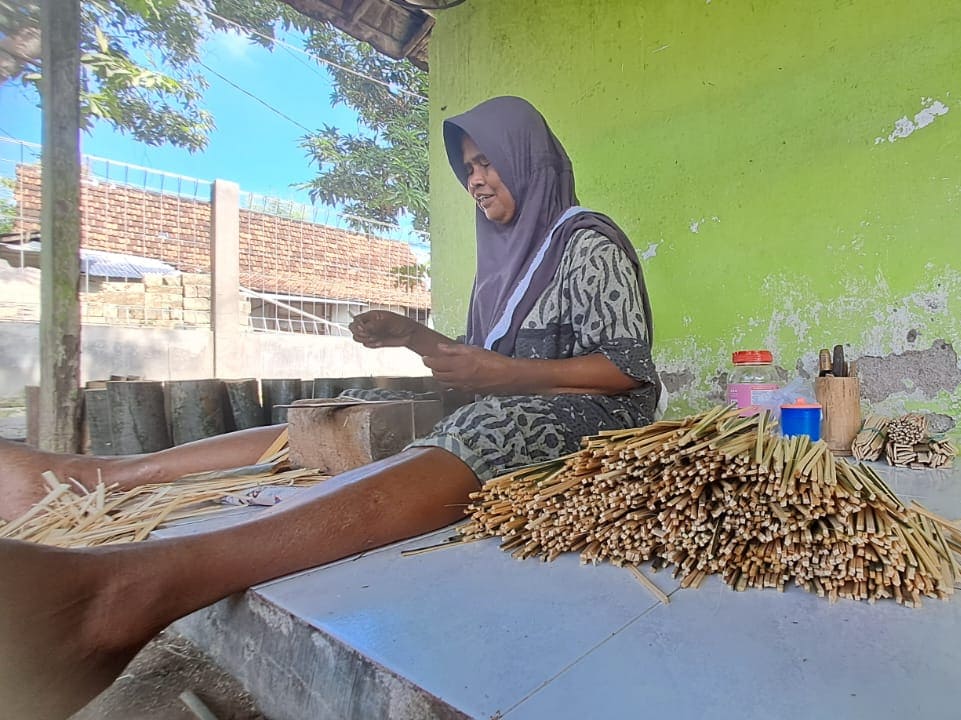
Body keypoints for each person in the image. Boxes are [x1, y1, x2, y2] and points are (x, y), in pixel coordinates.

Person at [0, 96, 657, 720]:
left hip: (599, 417)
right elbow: (478, 364)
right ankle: (102, 478)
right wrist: (413, 337)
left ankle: (137, 589)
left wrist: (505, 374)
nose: (476, 180)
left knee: (493, 424)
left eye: (488, 163)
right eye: (469, 168)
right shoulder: (498, 266)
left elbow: (627, 371)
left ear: (528, 160)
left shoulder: (587, 242)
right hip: (511, 400)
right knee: (355, 410)